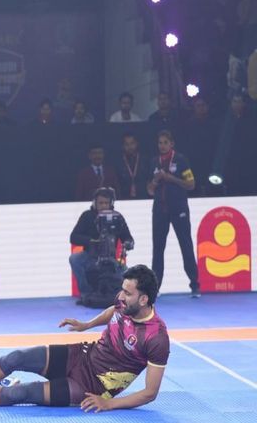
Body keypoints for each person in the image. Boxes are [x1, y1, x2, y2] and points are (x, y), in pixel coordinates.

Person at [0, 265, 170, 413]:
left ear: (143, 300)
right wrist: (87, 325)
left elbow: (150, 393)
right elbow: (113, 310)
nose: (121, 296)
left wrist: (109, 403)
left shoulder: (156, 337)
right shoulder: (124, 303)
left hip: (91, 385)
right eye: (122, 290)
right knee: (15, 358)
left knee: (20, 393)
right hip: (81, 355)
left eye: (128, 293)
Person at [147, 130, 200, 297]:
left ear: (172, 144)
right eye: (160, 142)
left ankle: (195, 285)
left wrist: (171, 178)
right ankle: (155, 287)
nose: (162, 145)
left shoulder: (181, 160)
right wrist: (156, 180)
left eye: (165, 142)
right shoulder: (154, 162)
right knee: (158, 248)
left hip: (179, 208)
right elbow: (149, 190)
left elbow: (191, 184)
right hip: (159, 209)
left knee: (185, 244)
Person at [69, 187, 134, 304]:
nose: (103, 206)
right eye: (100, 203)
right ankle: (85, 294)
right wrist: (91, 241)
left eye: (106, 203)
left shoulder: (117, 217)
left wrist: (128, 243)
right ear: (95, 203)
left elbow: (128, 237)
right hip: (90, 256)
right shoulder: (87, 216)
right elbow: (73, 237)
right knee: (74, 259)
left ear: (111, 203)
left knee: (129, 275)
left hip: (112, 259)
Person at [116, 132, 149, 200]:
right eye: (126, 144)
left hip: (143, 198)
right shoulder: (118, 162)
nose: (130, 147)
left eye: (132, 143)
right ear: (123, 146)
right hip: (124, 198)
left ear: (136, 143)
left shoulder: (145, 160)